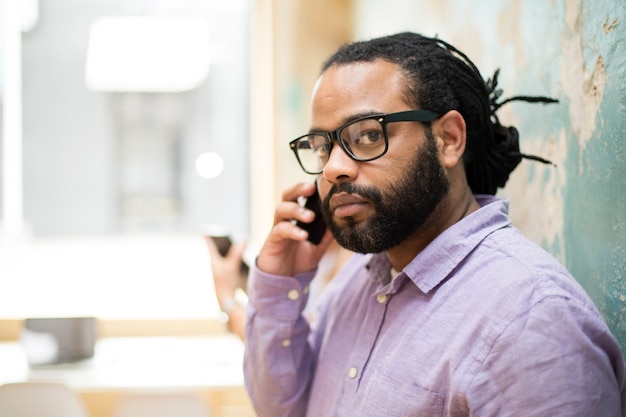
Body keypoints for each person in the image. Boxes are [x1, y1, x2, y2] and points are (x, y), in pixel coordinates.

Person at [243, 32, 625, 416]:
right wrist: (280, 286)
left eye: (368, 135)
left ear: (448, 139)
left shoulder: (533, 322)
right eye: (323, 147)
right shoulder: (361, 277)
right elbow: (284, 409)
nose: (333, 168)